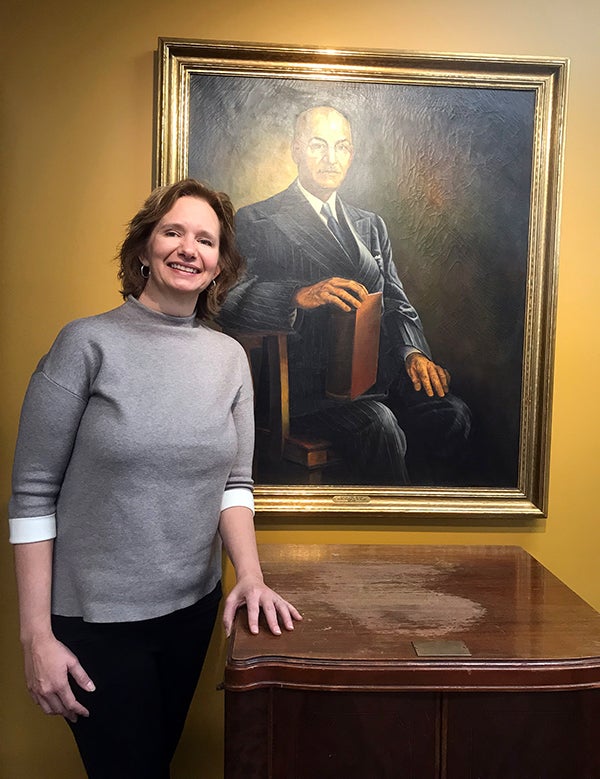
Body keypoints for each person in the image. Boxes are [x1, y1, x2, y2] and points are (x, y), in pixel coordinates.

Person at [8, 178, 302, 779]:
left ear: (220, 265)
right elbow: (32, 495)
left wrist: (250, 575)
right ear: (144, 248)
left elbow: (234, 485)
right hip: (96, 623)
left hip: (192, 611)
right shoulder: (85, 343)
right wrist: (36, 636)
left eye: (206, 239)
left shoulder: (228, 359)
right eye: (173, 231)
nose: (188, 248)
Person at [219, 106, 471, 485]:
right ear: (295, 150)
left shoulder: (369, 224)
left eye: (341, 147)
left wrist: (413, 353)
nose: (330, 158)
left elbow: (397, 303)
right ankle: (392, 536)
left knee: (452, 413)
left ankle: (428, 520)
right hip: (303, 392)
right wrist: (296, 295)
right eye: (318, 146)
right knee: (380, 425)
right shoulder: (257, 219)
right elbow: (227, 301)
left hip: (376, 378)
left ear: (351, 155)